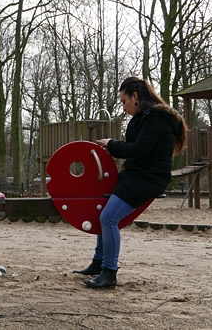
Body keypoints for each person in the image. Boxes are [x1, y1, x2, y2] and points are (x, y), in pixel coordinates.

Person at [74, 76, 187, 289]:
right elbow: (138, 148)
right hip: (138, 175)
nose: (124, 107)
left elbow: (138, 150)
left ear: (135, 97)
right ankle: (99, 263)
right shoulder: (145, 116)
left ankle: (109, 273)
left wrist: (112, 144)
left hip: (148, 178)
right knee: (104, 212)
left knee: (108, 218)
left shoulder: (155, 119)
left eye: (124, 102)